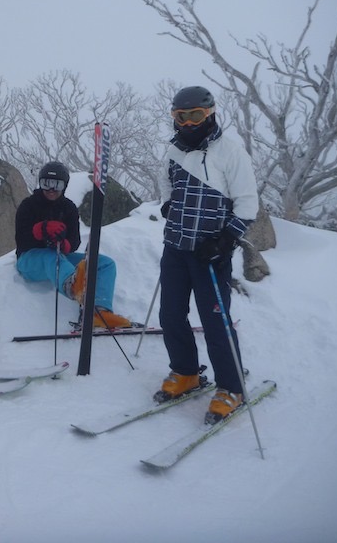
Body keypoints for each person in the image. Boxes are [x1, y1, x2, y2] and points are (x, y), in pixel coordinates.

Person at [155, 85, 259, 424]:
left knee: (215, 322)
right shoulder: (173, 151)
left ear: (210, 113)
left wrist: (226, 240)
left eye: (195, 116)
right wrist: (169, 204)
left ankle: (231, 387)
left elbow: (247, 204)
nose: (187, 124)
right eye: (180, 117)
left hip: (209, 254)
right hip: (176, 248)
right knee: (170, 315)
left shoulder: (230, 152)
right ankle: (185, 372)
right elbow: (166, 186)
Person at [15, 161, 132, 329]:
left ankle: (99, 312)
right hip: (29, 259)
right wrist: (40, 230)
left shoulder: (68, 207)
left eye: (57, 184)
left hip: (59, 256)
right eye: (46, 183)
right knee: (51, 257)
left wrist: (63, 244)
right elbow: (21, 240)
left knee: (105, 264)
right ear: (40, 183)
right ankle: (72, 286)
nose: (51, 189)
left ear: (65, 185)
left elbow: (74, 241)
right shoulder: (28, 205)